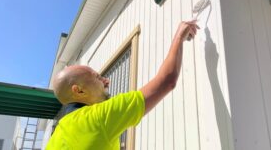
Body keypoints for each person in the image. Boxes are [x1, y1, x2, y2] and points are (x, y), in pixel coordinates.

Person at [46, 20, 199, 149]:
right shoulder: (98, 118)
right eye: (98, 78)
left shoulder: (54, 140)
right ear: (78, 91)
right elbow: (167, 81)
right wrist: (179, 36)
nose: (107, 81)